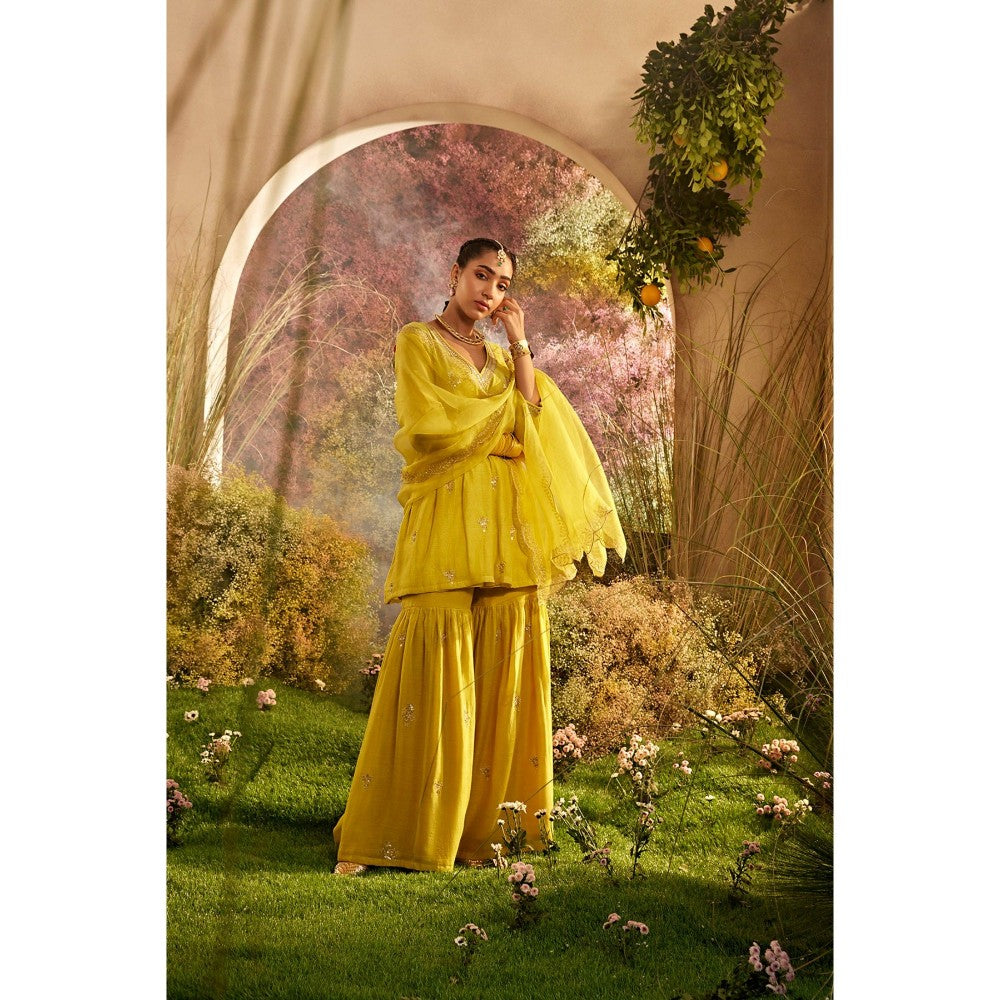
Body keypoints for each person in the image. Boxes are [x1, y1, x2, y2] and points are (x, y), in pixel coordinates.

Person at [332, 237, 625, 873]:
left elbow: (533, 417)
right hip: (445, 519)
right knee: (432, 663)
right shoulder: (417, 341)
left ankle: (488, 833)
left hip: (507, 531)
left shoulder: (500, 360)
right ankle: (393, 835)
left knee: (507, 666)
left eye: (501, 284)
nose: (490, 291)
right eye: (481, 275)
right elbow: (429, 427)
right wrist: (504, 432)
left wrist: (519, 342)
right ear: (455, 274)